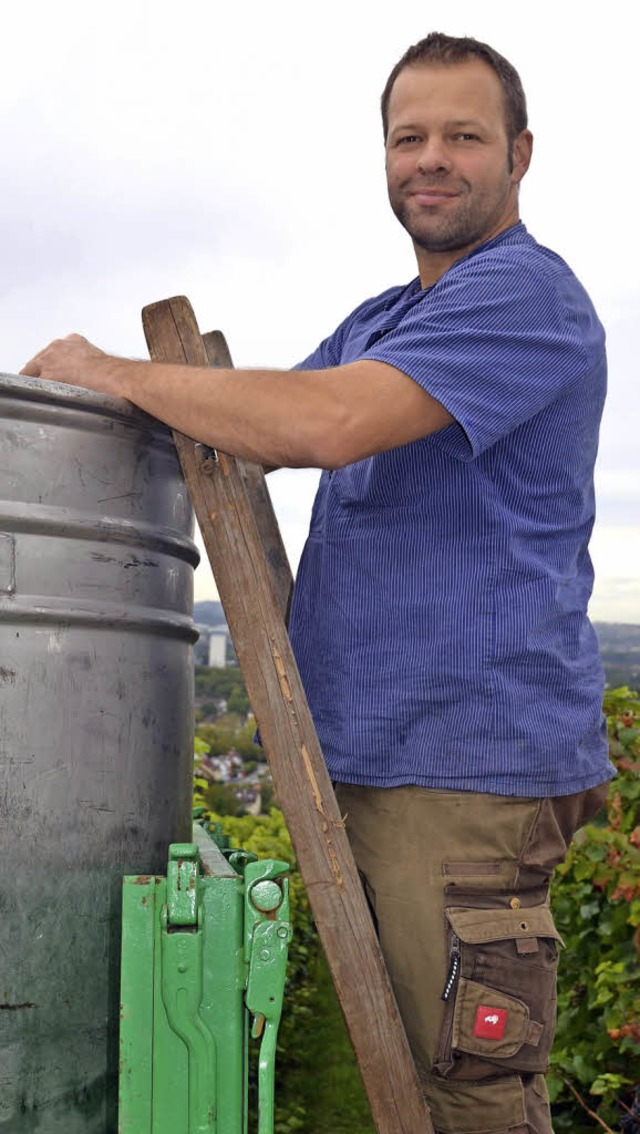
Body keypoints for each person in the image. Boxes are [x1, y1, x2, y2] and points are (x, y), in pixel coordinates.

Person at [21, 32, 614, 1134]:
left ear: (519, 154)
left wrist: (106, 371)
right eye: (408, 138)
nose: (430, 159)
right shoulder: (389, 319)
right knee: (412, 1075)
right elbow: (258, 420)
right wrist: (159, 404)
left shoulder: (525, 298)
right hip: (387, 755)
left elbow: (325, 425)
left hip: (462, 770)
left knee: (468, 1098)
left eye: (462, 137)